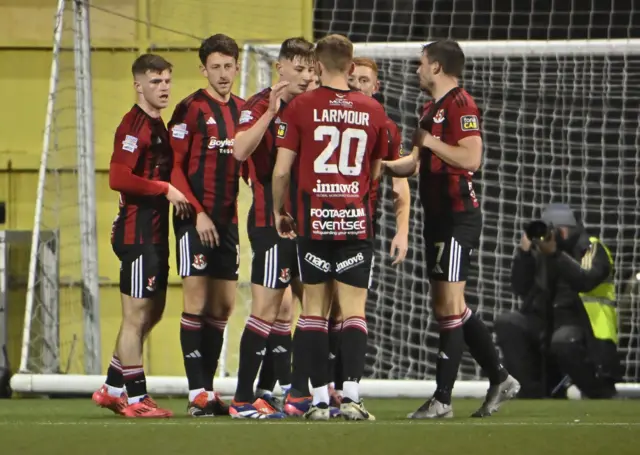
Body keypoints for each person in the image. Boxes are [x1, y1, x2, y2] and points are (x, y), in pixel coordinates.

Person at [381, 39, 519, 418]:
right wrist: (381, 165)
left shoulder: (461, 104)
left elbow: (471, 158)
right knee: (450, 306)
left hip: (459, 218)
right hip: (437, 218)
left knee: (448, 307)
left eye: (421, 63)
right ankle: (500, 377)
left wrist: (431, 142)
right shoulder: (429, 109)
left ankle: (442, 399)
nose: (417, 70)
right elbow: (415, 163)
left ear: (437, 67)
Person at [273, 33, 388, 421]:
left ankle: (320, 401)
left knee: (314, 314)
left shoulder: (301, 107)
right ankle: (351, 397)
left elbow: (281, 171)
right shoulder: (373, 110)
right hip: (355, 222)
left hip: (314, 223)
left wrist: (279, 211)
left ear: (318, 65)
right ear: (352, 67)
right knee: (355, 313)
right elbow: (375, 170)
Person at [92, 54, 189, 418]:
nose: (163, 87)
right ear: (138, 85)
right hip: (136, 234)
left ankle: (111, 388)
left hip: (154, 233)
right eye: (154, 81)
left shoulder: (157, 123)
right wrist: (164, 188)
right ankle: (136, 399)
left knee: (153, 312)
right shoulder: (134, 127)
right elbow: (118, 178)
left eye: (166, 81)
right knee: (135, 318)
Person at [230, 37, 315, 419]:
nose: (306, 76)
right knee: (266, 310)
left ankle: (300, 393)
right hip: (271, 222)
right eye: (299, 68)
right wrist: (271, 111)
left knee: (313, 312)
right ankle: (242, 399)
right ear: (280, 67)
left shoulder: (316, 108)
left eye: (311, 69)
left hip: (310, 224)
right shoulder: (257, 104)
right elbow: (239, 150)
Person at [168, 34, 244, 416]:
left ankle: (209, 391)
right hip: (191, 220)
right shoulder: (190, 109)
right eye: (215, 67)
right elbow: (174, 167)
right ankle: (196, 392)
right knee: (195, 303)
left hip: (227, 222)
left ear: (237, 66)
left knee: (223, 307)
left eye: (228, 66)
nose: (223, 73)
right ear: (204, 69)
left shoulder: (244, 112)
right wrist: (197, 212)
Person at [495, 204, 620, 399]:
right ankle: (531, 395)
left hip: (583, 323)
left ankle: (599, 393)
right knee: (508, 323)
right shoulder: (540, 251)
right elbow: (520, 287)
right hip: (547, 320)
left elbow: (585, 279)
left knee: (563, 339)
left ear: (566, 229)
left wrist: (556, 254)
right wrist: (524, 254)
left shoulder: (589, 246)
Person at [346, 57, 411, 400]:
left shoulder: (385, 126)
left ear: (377, 86)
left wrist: (402, 231)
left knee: (351, 309)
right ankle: (311, 390)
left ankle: (344, 390)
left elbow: (400, 184)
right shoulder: (328, 117)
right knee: (310, 309)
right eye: (353, 79)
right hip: (320, 224)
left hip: (361, 228)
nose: (358, 85)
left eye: (365, 80)